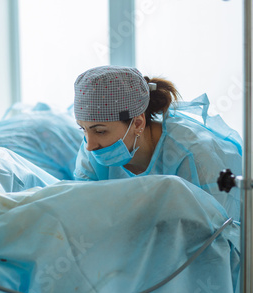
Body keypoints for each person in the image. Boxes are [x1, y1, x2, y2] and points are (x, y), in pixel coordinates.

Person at [73, 65, 242, 220]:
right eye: (83, 130)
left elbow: (218, 239)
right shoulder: (93, 153)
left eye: (100, 131)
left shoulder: (193, 157)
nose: (89, 145)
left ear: (138, 123)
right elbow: (86, 216)